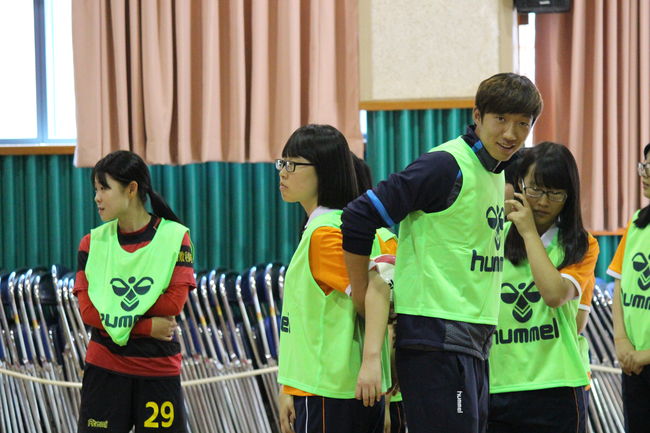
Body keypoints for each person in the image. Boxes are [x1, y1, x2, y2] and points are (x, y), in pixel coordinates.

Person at [342, 72, 543, 433]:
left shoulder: (496, 173)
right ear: (477, 116)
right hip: (436, 339)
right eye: (500, 119)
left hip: (473, 342)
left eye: (522, 124)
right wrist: (360, 294)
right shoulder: (445, 165)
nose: (511, 133)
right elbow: (359, 215)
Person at [276, 124, 391, 433]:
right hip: (330, 387)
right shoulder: (333, 226)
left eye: (292, 164)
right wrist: (289, 386)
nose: (283, 173)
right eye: (282, 163)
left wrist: (372, 362)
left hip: (333, 389)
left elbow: (378, 295)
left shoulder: (327, 232)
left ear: (324, 171)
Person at [74, 150, 195, 433]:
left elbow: (172, 304)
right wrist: (146, 327)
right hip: (104, 368)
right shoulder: (91, 243)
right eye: (95, 190)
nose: (97, 198)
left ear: (131, 189)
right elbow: (89, 313)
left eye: (104, 188)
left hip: (157, 371)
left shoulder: (175, 237)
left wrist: (115, 311)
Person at [487, 142, 599, 433]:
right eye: (535, 189)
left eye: (555, 193)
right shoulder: (492, 237)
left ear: (569, 195)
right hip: (497, 384)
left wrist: (527, 232)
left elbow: (554, 294)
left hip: (557, 386)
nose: (543, 202)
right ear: (519, 184)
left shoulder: (579, 244)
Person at [610, 143, 650, 433]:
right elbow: (619, 285)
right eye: (644, 166)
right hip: (633, 364)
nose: (645, 174)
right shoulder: (637, 222)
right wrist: (622, 342)